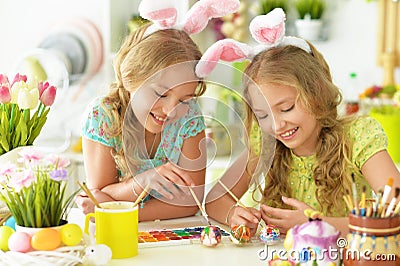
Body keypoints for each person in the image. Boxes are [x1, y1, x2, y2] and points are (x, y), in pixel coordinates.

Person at [198, 8, 400, 236]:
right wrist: (233, 213)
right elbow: (215, 199)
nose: (276, 125)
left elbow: (395, 214)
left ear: (316, 93)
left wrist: (319, 225)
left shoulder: (358, 137)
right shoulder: (266, 145)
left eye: (286, 108)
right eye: (262, 115)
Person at [76, 0, 240, 221]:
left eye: (185, 99)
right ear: (131, 77)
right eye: (161, 94)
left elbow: (190, 202)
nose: (171, 110)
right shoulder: (102, 116)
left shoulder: (189, 118)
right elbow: (96, 196)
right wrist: (143, 181)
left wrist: (120, 208)